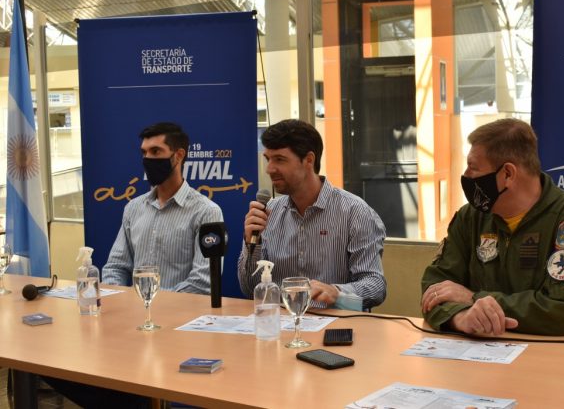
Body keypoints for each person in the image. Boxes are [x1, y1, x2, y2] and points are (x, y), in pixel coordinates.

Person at [421, 118, 564, 337]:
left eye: (473, 167)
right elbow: (435, 288)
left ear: (508, 174)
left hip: (560, 360)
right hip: (481, 358)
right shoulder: (471, 218)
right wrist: (460, 317)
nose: (466, 176)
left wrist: (473, 298)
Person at [237, 119, 386, 310]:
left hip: (333, 326)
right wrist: (252, 245)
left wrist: (337, 292)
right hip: (280, 324)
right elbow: (249, 290)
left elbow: (376, 285)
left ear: (309, 160)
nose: (269, 169)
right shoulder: (268, 213)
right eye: (268, 159)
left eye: (280, 160)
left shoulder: (354, 212)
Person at [102, 122, 223, 294]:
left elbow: (203, 281)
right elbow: (115, 267)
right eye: (144, 152)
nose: (148, 159)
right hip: (134, 313)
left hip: (183, 316)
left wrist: (152, 304)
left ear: (179, 155)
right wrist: (120, 301)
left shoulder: (206, 211)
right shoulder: (133, 208)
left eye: (156, 151)